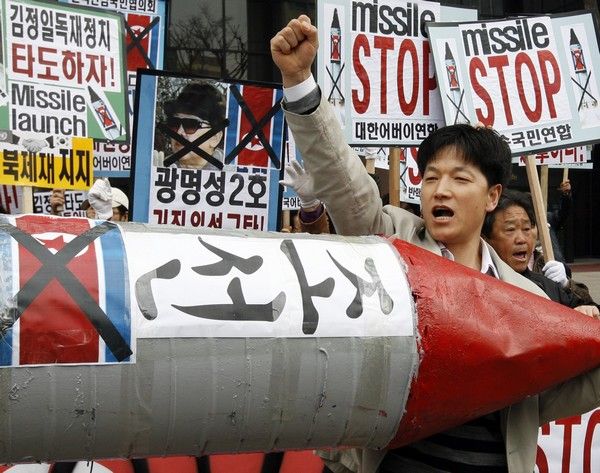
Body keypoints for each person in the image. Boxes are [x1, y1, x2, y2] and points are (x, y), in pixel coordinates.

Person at [270, 14, 600, 473]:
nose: (439, 190)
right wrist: (300, 83)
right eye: (430, 178)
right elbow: (342, 177)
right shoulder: (389, 242)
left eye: (459, 179)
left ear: (492, 197)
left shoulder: (528, 299)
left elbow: (545, 397)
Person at [482, 189, 598, 316]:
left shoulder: (547, 286)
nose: (521, 239)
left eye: (527, 228)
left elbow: (587, 311)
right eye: (510, 229)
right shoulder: (479, 286)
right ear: (486, 238)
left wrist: (585, 307)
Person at [154, 82, 226, 170]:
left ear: (215, 137)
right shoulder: (158, 169)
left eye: (190, 124)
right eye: (174, 123)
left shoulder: (233, 174)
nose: (179, 132)